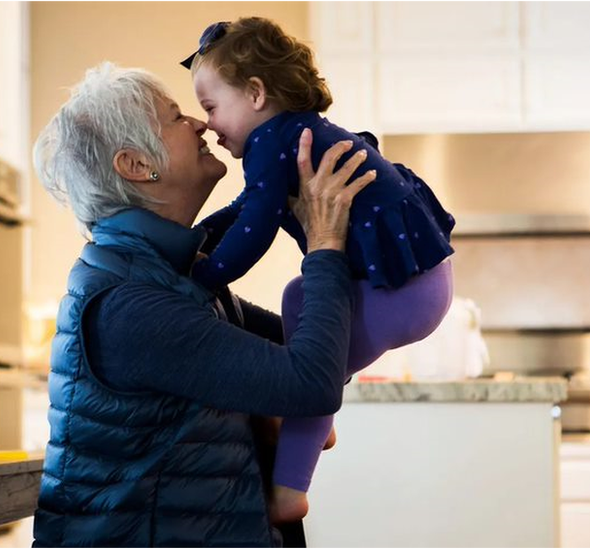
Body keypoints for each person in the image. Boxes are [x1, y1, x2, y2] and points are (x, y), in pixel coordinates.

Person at [30, 62, 374, 549]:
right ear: (135, 166)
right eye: (174, 118)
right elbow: (312, 383)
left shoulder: (172, 275)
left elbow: (325, 355)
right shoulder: (127, 304)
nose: (200, 123)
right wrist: (324, 242)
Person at [181, 16, 456, 521]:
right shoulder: (291, 134)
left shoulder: (270, 142)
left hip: (404, 290)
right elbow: (247, 207)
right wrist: (197, 241)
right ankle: (314, 422)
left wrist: (208, 273)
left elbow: (257, 226)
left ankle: (290, 490)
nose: (210, 126)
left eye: (211, 108)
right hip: (417, 283)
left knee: (311, 374)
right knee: (299, 297)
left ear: (256, 94)